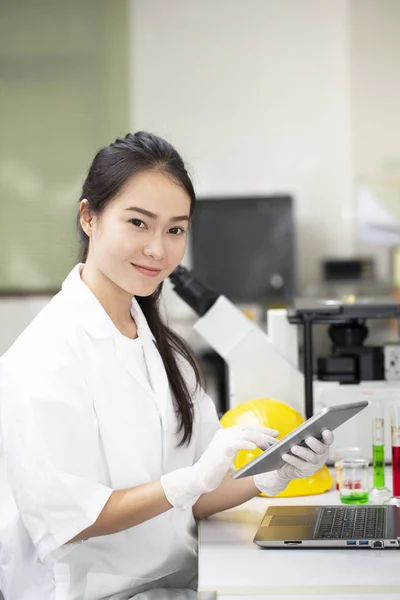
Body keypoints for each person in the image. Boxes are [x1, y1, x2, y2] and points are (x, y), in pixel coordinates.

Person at [0, 132, 333, 600]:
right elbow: (72, 521)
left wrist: (267, 478)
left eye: (175, 229)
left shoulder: (163, 348)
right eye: (138, 223)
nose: (158, 249)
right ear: (89, 217)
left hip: (175, 584)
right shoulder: (44, 357)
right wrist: (187, 482)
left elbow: (195, 496)